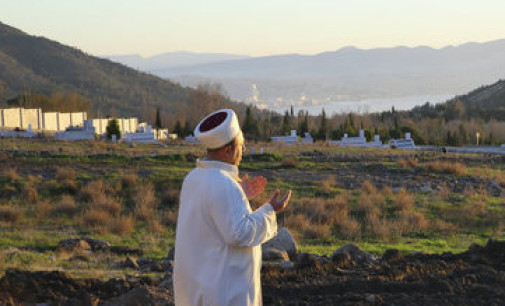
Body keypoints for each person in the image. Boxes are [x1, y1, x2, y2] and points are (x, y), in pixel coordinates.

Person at [173, 109, 292, 306]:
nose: (243, 149)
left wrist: (240, 196)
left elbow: (210, 217)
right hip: (222, 292)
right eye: (240, 144)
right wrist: (269, 210)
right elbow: (240, 233)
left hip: (199, 286)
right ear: (228, 149)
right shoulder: (223, 184)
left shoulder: (193, 178)